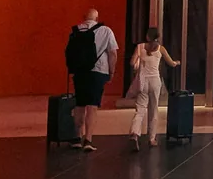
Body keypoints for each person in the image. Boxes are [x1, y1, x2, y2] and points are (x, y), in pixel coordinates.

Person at [66, 8, 118, 152]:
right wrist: (111, 72)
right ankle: (88, 139)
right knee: (92, 106)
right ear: (97, 17)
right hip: (98, 71)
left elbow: (70, 53)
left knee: (80, 104)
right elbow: (113, 53)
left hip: (80, 71)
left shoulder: (76, 30)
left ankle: (77, 137)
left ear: (84, 17)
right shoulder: (106, 30)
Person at [127, 27, 177, 152]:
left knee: (140, 109)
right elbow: (171, 63)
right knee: (154, 109)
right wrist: (177, 62)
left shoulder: (140, 47)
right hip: (155, 81)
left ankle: (134, 133)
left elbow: (132, 63)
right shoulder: (161, 49)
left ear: (147, 36)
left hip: (142, 81)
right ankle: (152, 138)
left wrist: (138, 64)